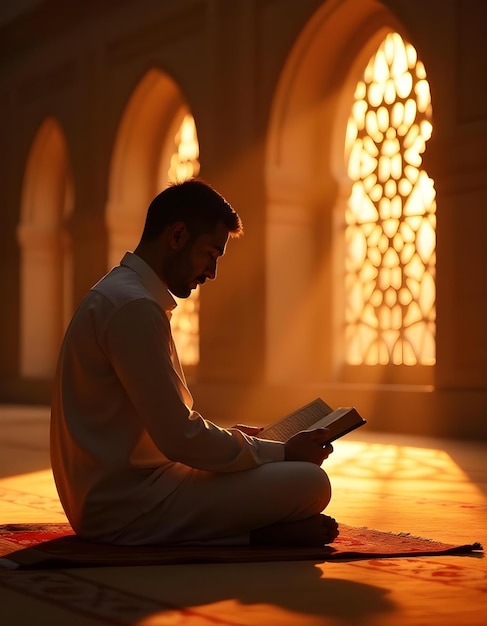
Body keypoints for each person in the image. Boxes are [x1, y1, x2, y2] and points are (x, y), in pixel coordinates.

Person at [50, 178, 338, 546]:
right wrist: (281, 452)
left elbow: (167, 429)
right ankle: (255, 536)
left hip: (128, 490)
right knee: (310, 482)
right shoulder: (133, 306)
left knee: (279, 469)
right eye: (210, 254)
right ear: (177, 235)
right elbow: (179, 438)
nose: (212, 272)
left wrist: (240, 441)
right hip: (127, 507)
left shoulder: (123, 295)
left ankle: (252, 531)